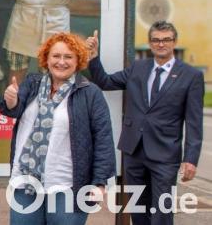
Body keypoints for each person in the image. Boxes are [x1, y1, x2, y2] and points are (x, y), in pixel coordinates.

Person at [86, 21, 204, 225]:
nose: (161, 44)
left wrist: (191, 158)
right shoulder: (138, 68)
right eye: (156, 40)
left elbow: (194, 121)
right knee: (138, 209)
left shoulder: (191, 76)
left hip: (165, 154)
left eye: (166, 39)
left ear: (174, 42)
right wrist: (94, 57)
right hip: (134, 151)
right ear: (150, 43)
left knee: (161, 212)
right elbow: (105, 81)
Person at [0, 33, 115, 224]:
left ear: (78, 60)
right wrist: (11, 101)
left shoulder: (90, 93)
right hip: (26, 182)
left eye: (68, 57)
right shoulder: (32, 83)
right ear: (46, 58)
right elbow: (14, 110)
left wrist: (99, 182)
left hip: (68, 186)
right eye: (56, 56)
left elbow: (103, 139)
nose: (61, 62)